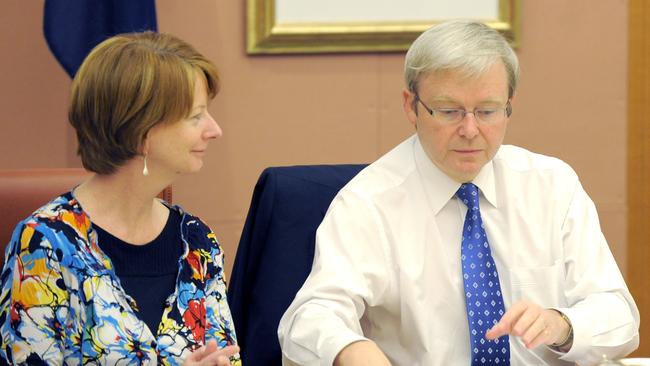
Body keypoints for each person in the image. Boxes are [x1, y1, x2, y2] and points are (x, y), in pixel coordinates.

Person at [278, 20, 639, 366]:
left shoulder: (552, 185)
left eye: (487, 111)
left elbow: (619, 315)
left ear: (509, 104)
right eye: (449, 111)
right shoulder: (368, 202)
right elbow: (310, 317)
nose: (470, 130)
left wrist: (563, 325)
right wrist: (350, 349)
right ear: (411, 106)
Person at [0, 32, 241, 365]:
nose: (214, 130)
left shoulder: (198, 242)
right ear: (141, 132)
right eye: (195, 116)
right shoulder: (45, 245)